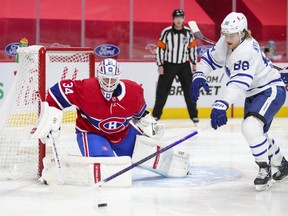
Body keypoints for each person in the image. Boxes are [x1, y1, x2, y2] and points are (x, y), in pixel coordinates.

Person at [31, 58, 190, 185]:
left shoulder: (133, 92)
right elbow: (55, 91)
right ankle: (58, 171)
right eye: (105, 79)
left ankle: (176, 164)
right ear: (99, 77)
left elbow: (141, 115)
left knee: (152, 156)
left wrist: (149, 124)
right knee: (108, 171)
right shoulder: (86, 89)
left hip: (123, 133)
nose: (108, 83)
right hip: (92, 133)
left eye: (112, 79)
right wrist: (52, 116)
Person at [190, 12, 287, 191]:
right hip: (254, 93)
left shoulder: (247, 51)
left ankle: (263, 169)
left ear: (243, 33)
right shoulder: (227, 40)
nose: (228, 38)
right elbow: (209, 60)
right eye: (225, 34)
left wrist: (222, 104)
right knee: (257, 133)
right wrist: (200, 74)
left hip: (270, 90)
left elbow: (238, 83)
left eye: (232, 35)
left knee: (250, 127)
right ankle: (282, 164)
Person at [153, 9, 198, 123]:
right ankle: (156, 115)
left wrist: (193, 63)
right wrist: (160, 64)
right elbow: (160, 48)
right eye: (176, 18)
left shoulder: (188, 32)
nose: (179, 20)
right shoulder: (166, 32)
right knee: (162, 91)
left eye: (181, 17)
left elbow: (192, 48)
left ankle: (194, 116)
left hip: (184, 65)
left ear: (183, 19)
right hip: (169, 65)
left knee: (189, 91)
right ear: (173, 19)